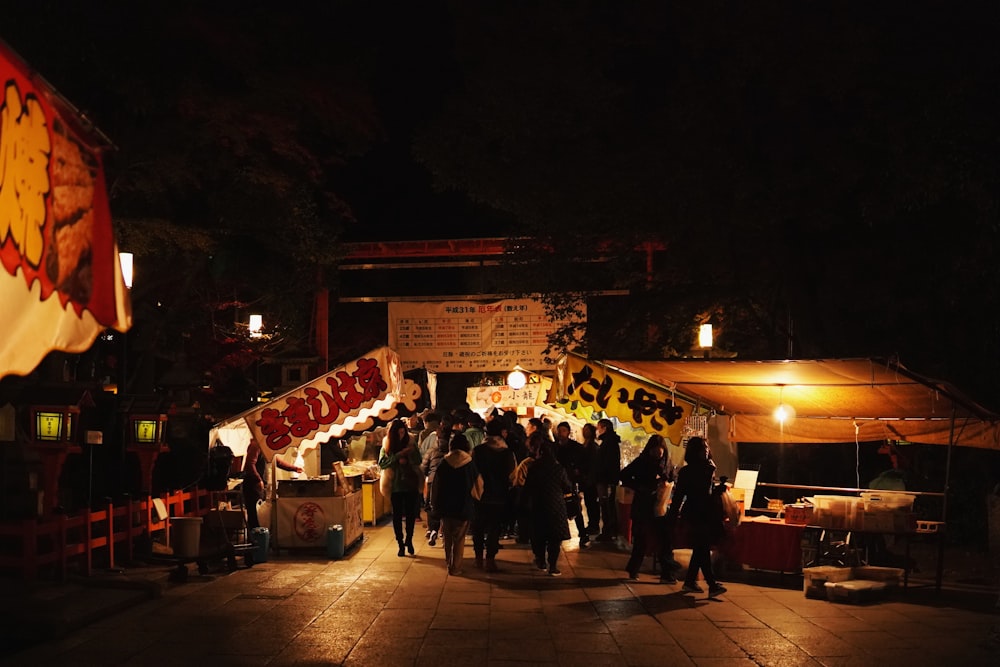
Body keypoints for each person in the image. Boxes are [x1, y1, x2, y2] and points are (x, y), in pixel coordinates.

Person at [668, 436, 726, 597]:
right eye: (703, 448)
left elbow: (707, 491)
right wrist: (672, 514)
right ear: (695, 451)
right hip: (696, 512)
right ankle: (711, 584)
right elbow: (681, 495)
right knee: (702, 547)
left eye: (707, 447)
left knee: (701, 548)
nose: (706, 450)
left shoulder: (707, 468)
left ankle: (690, 582)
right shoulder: (691, 471)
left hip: (704, 513)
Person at [620, 435, 676, 583]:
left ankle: (667, 573)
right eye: (655, 451)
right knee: (641, 540)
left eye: (660, 451)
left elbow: (673, 478)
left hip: (661, 506)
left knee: (665, 540)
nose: (658, 454)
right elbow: (624, 475)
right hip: (643, 506)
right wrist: (639, 487)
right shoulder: (641, 462)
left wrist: (667, 484)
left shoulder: (667, 463)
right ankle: (634, 569)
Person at [522, 432, 573, 576]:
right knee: (554, 538)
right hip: (556, 505)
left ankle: (540, 560)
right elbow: (567, 487)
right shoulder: (559, 469)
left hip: (538, 504)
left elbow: (528, 488)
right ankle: (553, 565)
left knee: (538, 535)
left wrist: (524, 504)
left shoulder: (534, 467)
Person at [432, 433, 482, 575]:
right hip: (464, 505)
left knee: (447, 537)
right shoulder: (469, 463)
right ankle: (456, 566)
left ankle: (449, 563)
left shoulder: (444, 463)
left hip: (446, 506)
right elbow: (478, 485)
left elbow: (436, 486)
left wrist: (435, 505)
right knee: (459, 538)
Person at [379, 419, 424, 557]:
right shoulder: (387, 445)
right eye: (398, 433)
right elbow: (382, 463)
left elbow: (419, 460)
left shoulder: (411, 442)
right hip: (395, 485)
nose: (401, 435)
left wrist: (409, 456)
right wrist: (398, 455)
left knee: (411, 515)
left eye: (403, 432)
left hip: (410, 484)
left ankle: (409, 540)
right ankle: (400, 544)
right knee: (397, 516)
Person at [471, 433, 516, 571]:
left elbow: (472, 471)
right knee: (494, 528)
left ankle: (478, 558)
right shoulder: (507, 453)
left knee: (478, 527)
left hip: (480, 495)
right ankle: (490, 559)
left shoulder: (478, 451)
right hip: (499, 496)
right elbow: (513, 475)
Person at [243, 438, 303, 531]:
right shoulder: (256, 444)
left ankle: (261, 537)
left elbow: (277, 461)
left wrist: (294, 468)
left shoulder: (265, 447)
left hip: (261, 485)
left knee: (260, 514)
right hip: (252, 486)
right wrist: (258, 480)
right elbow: (250, 464)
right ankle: (256, 540)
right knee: (254, 514)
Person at [554, 421, 589, 549]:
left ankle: (583, 534)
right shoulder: (554, 447)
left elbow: (584, 463)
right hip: (558, 481)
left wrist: (578, 471)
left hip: (571, 481)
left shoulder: (576, 448)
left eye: (563, 430)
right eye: (559, 431)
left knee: (574, 507)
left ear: (568, 432)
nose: (561, 433)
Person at [421, 415, 453, 546]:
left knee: (431, 505)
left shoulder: (431, 450)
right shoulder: (453, 451)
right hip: (449, 482)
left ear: (437, 437)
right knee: (447, 506)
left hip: (432, 481)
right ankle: (444, 532)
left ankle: (432, 529)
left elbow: (423, 468)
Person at [594, 418, 622, 542]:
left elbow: (607, 464)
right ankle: (609, 531)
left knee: (607, 506)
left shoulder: (608, 443)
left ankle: (608, 531)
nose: (597, 431)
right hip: (608, 480)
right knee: (607, 506)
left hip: (606, 480)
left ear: (604, 428)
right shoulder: (610, 442)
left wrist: (604, 479)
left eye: (598, 428)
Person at [580, 423, 601, 536]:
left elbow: (593, 465)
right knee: (589, 502)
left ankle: (594, 525)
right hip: (586, 479)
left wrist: (590, 478)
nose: (584, 431)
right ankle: (592, 524)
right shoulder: (586, 445)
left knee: (592, 502)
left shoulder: (593, 447)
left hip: (591, 480)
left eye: (587, 430)